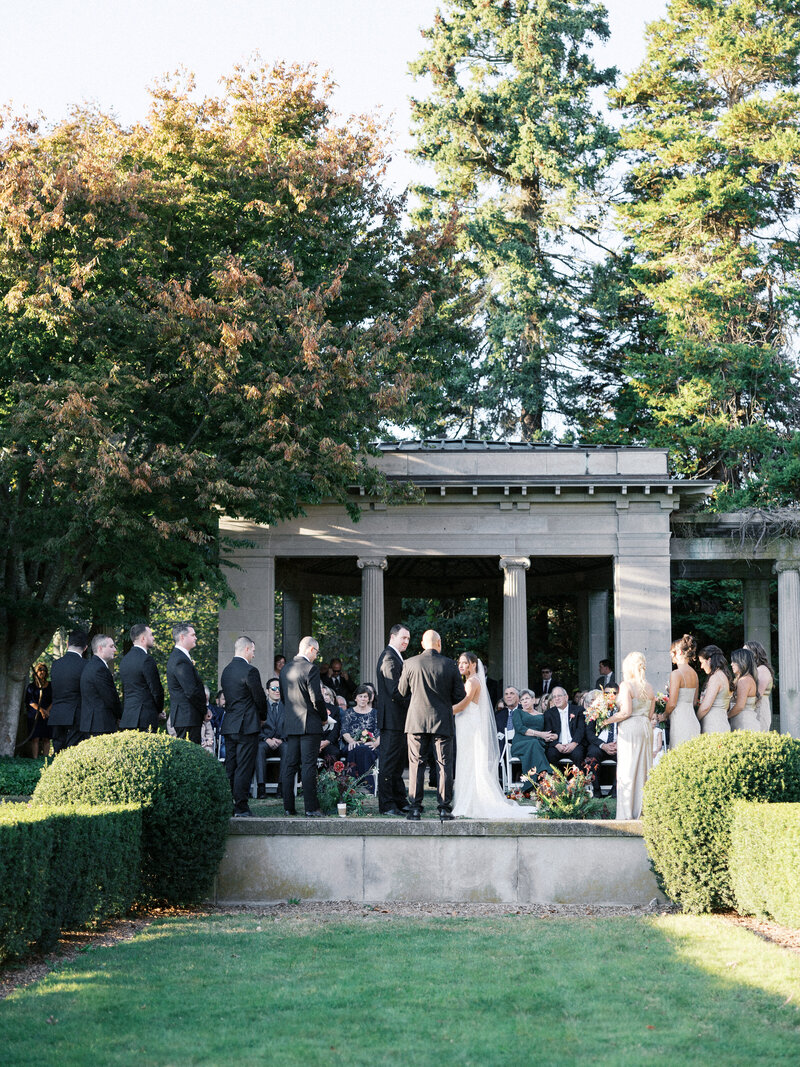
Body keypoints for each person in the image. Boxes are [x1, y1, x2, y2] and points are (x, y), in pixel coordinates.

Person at [451, 653, 533, 818]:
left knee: (469, 761)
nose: (460, 666)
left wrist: (444, 711)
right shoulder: (474, 680)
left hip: (469, 727)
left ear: (473, 664)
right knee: (468, 762)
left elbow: (463, 705)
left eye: (464, 663)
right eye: (459, 662)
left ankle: (470, 801)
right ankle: (468, 799)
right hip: (468, 725)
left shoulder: (472, 682)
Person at [398, 629, 466, 821]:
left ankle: (414, 809)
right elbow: (460, 696)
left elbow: (402, 691)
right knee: (444, 765)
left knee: (416, 765)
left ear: (422, 644)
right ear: (439, 643)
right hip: (442, 720)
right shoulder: (450, 665)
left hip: (417, 721)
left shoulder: (409, 663)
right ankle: (444, 808)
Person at [280, 636, 329, 817]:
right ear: (310, 649)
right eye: (316, 652)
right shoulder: (310, 669)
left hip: (292, 724)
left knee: (289, 766)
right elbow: (317, 698)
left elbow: (284, 699)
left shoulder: (285, 669)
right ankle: (310, 807)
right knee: (308, 766)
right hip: (310, 724)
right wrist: (324, 717)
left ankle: (288, 807)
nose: (316, 656)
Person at [220, 635, 268, 817]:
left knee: (230, 765)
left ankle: (226, 803)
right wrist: (262, 717)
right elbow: (259, 698)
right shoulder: (250, 671)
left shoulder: (226, 671)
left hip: (230, 724)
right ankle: (241, 806)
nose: (254, 655)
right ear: (247, 649)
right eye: (254, 651)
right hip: (247, 725)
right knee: (244, 766)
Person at [604, 651, 654, 820]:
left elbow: (626, 712)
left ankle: (627, 813)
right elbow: (651, 713)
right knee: (643, 768)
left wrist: (606, 721)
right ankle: (642, 811)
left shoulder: (626, 685)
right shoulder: (649, 686)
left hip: (631, 727)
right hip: (645, 727)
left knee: (628, 769)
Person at [375, 623, 411, 816]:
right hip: (391, 721)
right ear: (392, 637)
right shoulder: (389, 658)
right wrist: (415, 701)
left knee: (397, 764)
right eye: (403, 638)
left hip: (398, 720)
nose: (406, 641)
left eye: (408, 639)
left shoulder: (396, 657)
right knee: (389, 764)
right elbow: (395, 691)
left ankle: (399, 800)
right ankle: (387, 805)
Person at [118, 623, 165, 732]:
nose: (153, 638)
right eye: (151, 635)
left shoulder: (124, 660)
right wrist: (158, 710)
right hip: (145, 717)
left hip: (128, 717)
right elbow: (156, 690)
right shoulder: (146, 659)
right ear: (143, 638)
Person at [166, 622, 206, 744]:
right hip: (187, 717)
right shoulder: (180, 660)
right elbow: (191, 691)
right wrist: (204, 710)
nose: (196, 637)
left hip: (187, 717)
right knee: (191, 757)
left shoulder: (180, 657)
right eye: (193, 635)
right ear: (182, 637)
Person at [49, 629, 89, 752]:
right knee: (74, 751)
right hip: (77, 714)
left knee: (58, 751)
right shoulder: (86, 665)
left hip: (57, 713)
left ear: (67, 644)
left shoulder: (56, 664)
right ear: (85, 647)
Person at [658, 634, 700, 750]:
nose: (671, 655)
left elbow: (672, 703)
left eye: (672, 652)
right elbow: (694, 702)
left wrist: (664, 716)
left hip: (680, 721)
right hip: (692, 719)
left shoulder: (676, 674)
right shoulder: (694, 674)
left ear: (680, 652)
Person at [510, 688, 554, 792]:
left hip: (538, 745)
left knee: (535, 744)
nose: (524, 701)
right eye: (522, 700)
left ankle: (535, 784)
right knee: (534, 743)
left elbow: (548, 730)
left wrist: (549, 736)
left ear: (533, 700)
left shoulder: (542, 715)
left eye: (527, 698)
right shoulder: (517, 712)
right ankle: (546, 775)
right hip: (520, 744)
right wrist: (540, 734)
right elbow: (520, 728)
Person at [79, 634, 122, 736]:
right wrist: (121, 716)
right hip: (100, 724)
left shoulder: (91, 666)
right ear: (100, 648)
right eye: (111, 646)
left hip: (93, 723)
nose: (115, 650)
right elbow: (110, 698)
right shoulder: (100, 669)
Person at [342, 685, 380, 787]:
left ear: (369, 699)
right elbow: (344, 731)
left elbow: (380, 731)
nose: (363, 699)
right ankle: (352, 784)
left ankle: (366, 785)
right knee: (355, 748)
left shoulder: (375, 713)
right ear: (355, 698)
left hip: (370, 744)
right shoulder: (348, 712)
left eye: (365, 696)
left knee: (365, 749)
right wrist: (352, 741)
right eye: (360, 696)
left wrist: (375, 743)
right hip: (352, 744)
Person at [583, 688, 617, 798]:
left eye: (614, 693)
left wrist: (619, 744)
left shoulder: (623, 709)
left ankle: (615, 790)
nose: (610, 696)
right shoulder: (595, 710)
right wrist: (603, 745)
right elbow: (589, 733)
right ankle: (596, 790)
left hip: (618, 744)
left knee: (626, 756)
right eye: (607, 693)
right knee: (592, 753)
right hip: (600, 745)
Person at [255, 677, 286, 798]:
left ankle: (282, 787)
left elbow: (290, 726)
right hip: (265, 740)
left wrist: (282, 739)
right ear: (267, 691)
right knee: (258, 749)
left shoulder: (286, 706)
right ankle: (261, 788)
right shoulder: (260, 706)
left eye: (279, 688)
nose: (277, 691)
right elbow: (256, 726)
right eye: (273, 688)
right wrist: (266, 739)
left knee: (288, 749)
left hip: (281, 741)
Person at [543, 687, 586, 767]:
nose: (557, 699)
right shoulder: (548, 713)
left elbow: (581, 729)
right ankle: (554, 779)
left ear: (566, 697)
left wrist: (573, 743)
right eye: (554, 697)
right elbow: (548, 732)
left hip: (574, 744)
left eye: (559, 696)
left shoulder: (578, 710)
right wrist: (557, 745)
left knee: (578, 754)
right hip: (557, 746)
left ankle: (578, 779)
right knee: (550, 754)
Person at [697, 645, 733, 735]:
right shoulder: (723, 675)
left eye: (702, 662)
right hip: (720, 722)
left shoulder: (715, 677)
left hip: (714, 726)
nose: (701, 666)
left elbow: (705, 707)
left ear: (709, 660)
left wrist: (695, 720)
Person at [744, 639, 774, 732]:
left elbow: (758, 695)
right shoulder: (755, 669)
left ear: (755, 653)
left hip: (760, 709)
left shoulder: (762, 670)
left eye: (746, 652)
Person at [729, 648, 761, 731]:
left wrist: (725, 716)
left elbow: (740, 706)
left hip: (745, 725)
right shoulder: (742, 679)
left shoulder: (744, 680)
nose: (731, 664)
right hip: (741, 722)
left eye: (734, 661)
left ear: (742, 662)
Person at [25, 663, 52, 757]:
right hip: (34, 715)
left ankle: (45, 758)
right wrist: (42, 711)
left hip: (48, 715)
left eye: (44, 670)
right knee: (35, 738)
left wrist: (47, 711)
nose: (42, 672)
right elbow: (31, 702)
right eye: (40, 670)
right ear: (35, 672)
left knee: (46, 738)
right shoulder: (31, 687)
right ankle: (35, 759)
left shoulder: (50, 685)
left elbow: (54, 700)